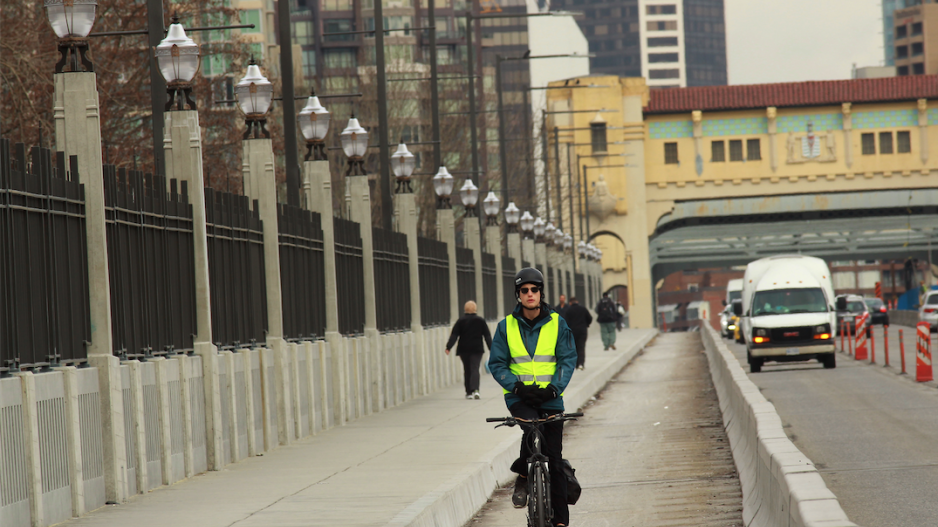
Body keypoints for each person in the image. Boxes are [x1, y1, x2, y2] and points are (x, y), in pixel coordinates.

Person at [489, 268, 577, 527]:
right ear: (518, 295)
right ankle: (524, 476)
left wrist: (554, 388)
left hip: (550, 396)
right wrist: (515, 387)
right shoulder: (506, 327)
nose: (530, 294)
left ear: (541, 293)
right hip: (520, 397)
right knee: (530, 429)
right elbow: (497, 364)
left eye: (534, 290)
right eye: (524, 290)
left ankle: (560, 521)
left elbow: (567, 359)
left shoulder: (558, 323)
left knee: (556, 460)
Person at [446, 300, 493, 399]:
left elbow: (454, 335)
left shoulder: (461, 321)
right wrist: (492, 349)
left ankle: (468, 392)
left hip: (464, 349)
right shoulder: (480, 320)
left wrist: (448, 347)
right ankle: (476, 390)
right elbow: (487, 336)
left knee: (467, 370)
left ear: (465, 309)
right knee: (475, 368)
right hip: (477, 349)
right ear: (475, 309)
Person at [562, 297, 592, 370]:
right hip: (582, 330)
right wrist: (586, 324)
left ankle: (575, 364)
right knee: (581, 347)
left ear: (570, 303)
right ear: (577, 301)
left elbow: (565, 321)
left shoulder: (568, 310)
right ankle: (581, 363)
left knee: (573, 347)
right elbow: (590, 318)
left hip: (572, 331)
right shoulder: (583, 309)